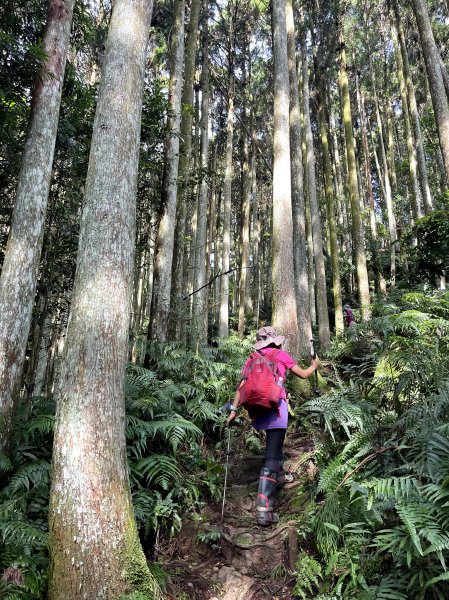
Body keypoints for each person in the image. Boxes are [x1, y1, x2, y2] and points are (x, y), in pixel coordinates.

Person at [226, 326, 320, 526]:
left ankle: (278, 476)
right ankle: (264, 510)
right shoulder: (280, 355)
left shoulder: (251, 359)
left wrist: (233, 411)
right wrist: (314, 366)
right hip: (277, 409)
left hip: (259, 412)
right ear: (274, 341)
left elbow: (241, 386)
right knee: (271, 455)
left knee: (273, 449)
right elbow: (303, 375)